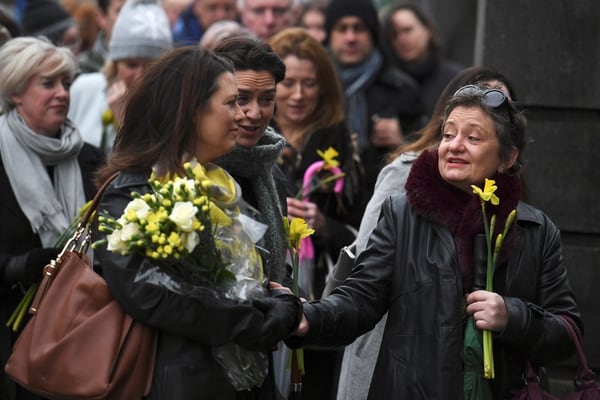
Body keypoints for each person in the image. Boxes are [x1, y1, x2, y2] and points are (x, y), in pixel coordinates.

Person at [288, 85, 582, 399]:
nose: (454, 146)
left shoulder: (534, 229)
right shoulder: (402, 215)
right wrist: (309, 317)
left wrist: (513, 316)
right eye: (448, 134)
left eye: (473, 138)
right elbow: (360, 299)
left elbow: (567, 333)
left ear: (508, 158)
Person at [93, 46, 302, 400]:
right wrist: (257, 321)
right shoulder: (136, 189)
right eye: (232, 103)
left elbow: (232, 280)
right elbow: (149, 292)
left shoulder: (221, 183)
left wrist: (272, 297)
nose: (243, 116)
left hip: (237, 379)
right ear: (190, 111)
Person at [335, 65, 518, 400]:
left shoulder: (516, 206)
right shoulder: (404, 176)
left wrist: (513, 316)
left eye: (503, 106)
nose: (494, 112)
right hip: (390, 354)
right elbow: (364, 270)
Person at [0, 36, 104, 400]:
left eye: (66, 84)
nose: (62, 93)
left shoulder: (90, 158)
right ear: (15, 92)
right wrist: (21, 266)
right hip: (11, 334)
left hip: (78, 333)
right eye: (48, 84)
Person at [269, 26, 368, 399]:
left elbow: (366, 236)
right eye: (288, 82)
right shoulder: (248, 138)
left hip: (322, 298)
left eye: (309, 84)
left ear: (324, 87)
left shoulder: (344, 147)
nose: (297, 95)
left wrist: (323, 224)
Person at [324, 0, 426, 199]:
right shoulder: (314, 85)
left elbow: (428, 151)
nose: (350, 37)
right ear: (329, 34)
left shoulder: (400, 88)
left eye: (358, 28)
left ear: (372, 33)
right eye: (342, 28)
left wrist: (402, 141)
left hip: (382, 200)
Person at [68, 0, 173, 155]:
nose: (140, 75)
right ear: (115, 64)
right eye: (131, 65)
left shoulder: (173, 104)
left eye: (151, 65)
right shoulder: (85, 89)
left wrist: (126, 123)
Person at [381, 3, 463, 118]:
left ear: (427, 30)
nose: (401, 39)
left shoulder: (455, 78)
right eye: (394, 35)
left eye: (407, 30)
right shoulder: (389, 82)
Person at [77, 0, 126, 74]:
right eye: (120, 10)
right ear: (101, 17)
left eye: (133, 9)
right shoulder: (84, 65)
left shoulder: (148, 58)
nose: (129, 15)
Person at [171, 0, 238, 46]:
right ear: (196, 8)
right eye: (212, 8)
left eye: (228, 8)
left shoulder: (246, 34)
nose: (221, 16)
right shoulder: (179, 39)